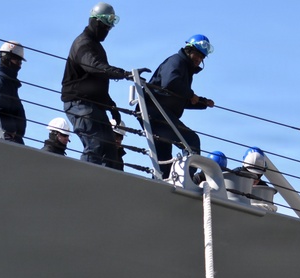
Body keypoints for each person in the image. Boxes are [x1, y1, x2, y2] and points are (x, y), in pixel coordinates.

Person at [61, 3, 132, 167]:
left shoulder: (96, 46)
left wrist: (110, 105)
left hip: (93, 105)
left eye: (109, 28)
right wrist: (124, 74)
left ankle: (110, 187)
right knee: (95, 145)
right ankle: (85, 186)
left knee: (110, 150)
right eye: (105, 27)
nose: (107, 31)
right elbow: (94, 67)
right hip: (79, 103)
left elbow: (95, 83)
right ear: (95, 22)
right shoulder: (83, 44)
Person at [143, 35, 215, 179]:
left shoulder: (185, 69)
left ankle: (161, 183)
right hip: (155, 110)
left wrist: (202, 102)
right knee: (191, 141)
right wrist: (190, 94)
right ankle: (185, 180)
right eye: (197, 54)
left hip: (159, 111)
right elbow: (171, 83)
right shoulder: (177, 61)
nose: (199, 59)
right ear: (189, 50)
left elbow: (178, 98)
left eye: (202, 57)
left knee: (163, 155)